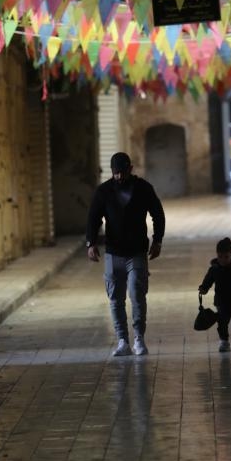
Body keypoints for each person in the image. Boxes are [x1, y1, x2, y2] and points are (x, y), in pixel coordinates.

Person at [86, 152, 165, 357]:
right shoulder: (104, 191)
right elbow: (93, 218)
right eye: (115, 173)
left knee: (137, 295)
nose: (119, 177)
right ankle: (122, 340)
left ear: (130, 169)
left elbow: (157, 213)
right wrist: (91, 243)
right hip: (113, 253)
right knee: (115, 298)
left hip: (137, 251)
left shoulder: (143, 189)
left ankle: (139, 338)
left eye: (122, 172)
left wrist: (157, 240)